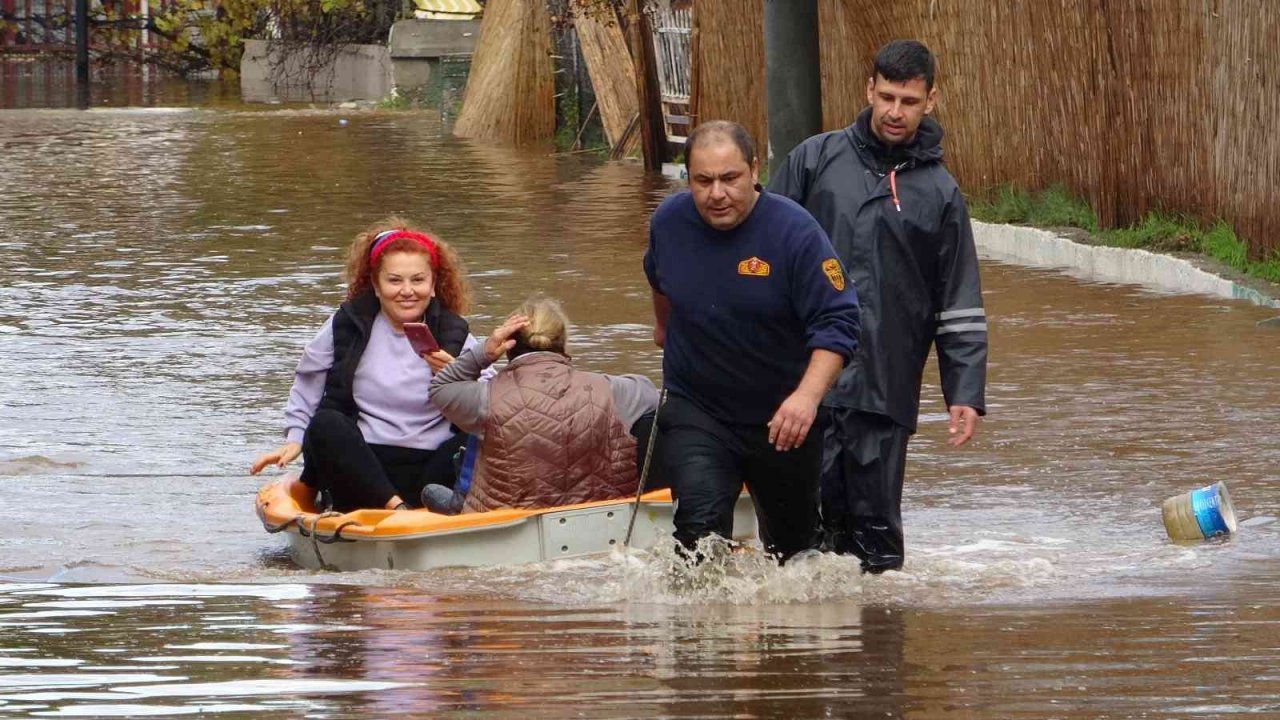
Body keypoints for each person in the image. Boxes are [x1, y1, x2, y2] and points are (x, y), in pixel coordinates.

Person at [768, 39, 988, 573]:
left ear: (930, 100)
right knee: (794, 543)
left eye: (908, 101)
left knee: (877, 546)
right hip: (802, 387)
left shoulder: (939, 193)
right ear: (869, 90)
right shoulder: (814, 160)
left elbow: (957, 299)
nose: (894, 111)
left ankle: (879, 646)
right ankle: (798, 654)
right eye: (886, 96)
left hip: (885, 390)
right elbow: (763, 257)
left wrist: (964, 392)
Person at [644, 120, 862, 563]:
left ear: (754, 170)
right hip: (698, 408)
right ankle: (698, 631)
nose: (716, 194)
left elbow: (839, 321)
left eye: (729, 179)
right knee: (698, 531)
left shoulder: (795, 233)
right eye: (703, 181)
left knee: (794, 552)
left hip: (782, 417)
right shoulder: (669, 222)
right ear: (687, 179)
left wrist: (806, 398)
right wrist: (663, 328)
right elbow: (659, 278)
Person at [250, 217, 480, 512]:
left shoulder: (457, 334)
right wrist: (295, 438)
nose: (407, 291)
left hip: (432, 473)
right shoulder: (346, 324)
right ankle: (397, 510)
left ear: (434, 285)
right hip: (362, 465)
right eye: (394, 280)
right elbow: (308, 383)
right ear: (375, 284)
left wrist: (455, 379)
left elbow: (491, 407)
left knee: (478, 437)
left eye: (418, 280)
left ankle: (418, 512)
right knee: (326, 425)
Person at [426, 296, 660, 513]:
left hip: (506, 529)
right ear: (564, 344)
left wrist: (484, 352)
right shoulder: (613, 390)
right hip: (600, 521)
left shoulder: (484, 397)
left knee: (434, 489)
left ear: (509, 345)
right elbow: (653, 395)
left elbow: (440, 387)